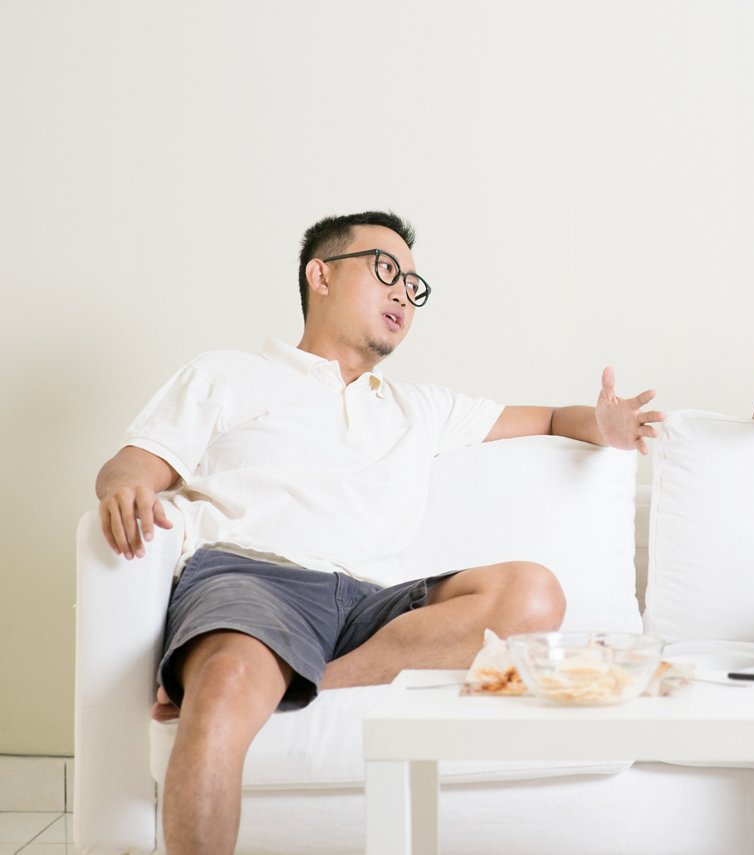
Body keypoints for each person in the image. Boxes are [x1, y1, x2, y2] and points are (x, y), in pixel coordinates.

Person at [95, 210, 664, 855]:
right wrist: (123, 488)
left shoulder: (418, 407)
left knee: (532, 594)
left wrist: (608, 427)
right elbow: (136, 463)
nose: (404, 294)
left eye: (414, 286)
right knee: (225, 681)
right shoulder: (225, 375)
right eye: (386, 270)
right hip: (253, 580)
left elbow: (555, 416)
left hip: (373, 604)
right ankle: (243, 680)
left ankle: (305, 678)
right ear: (321, 276)